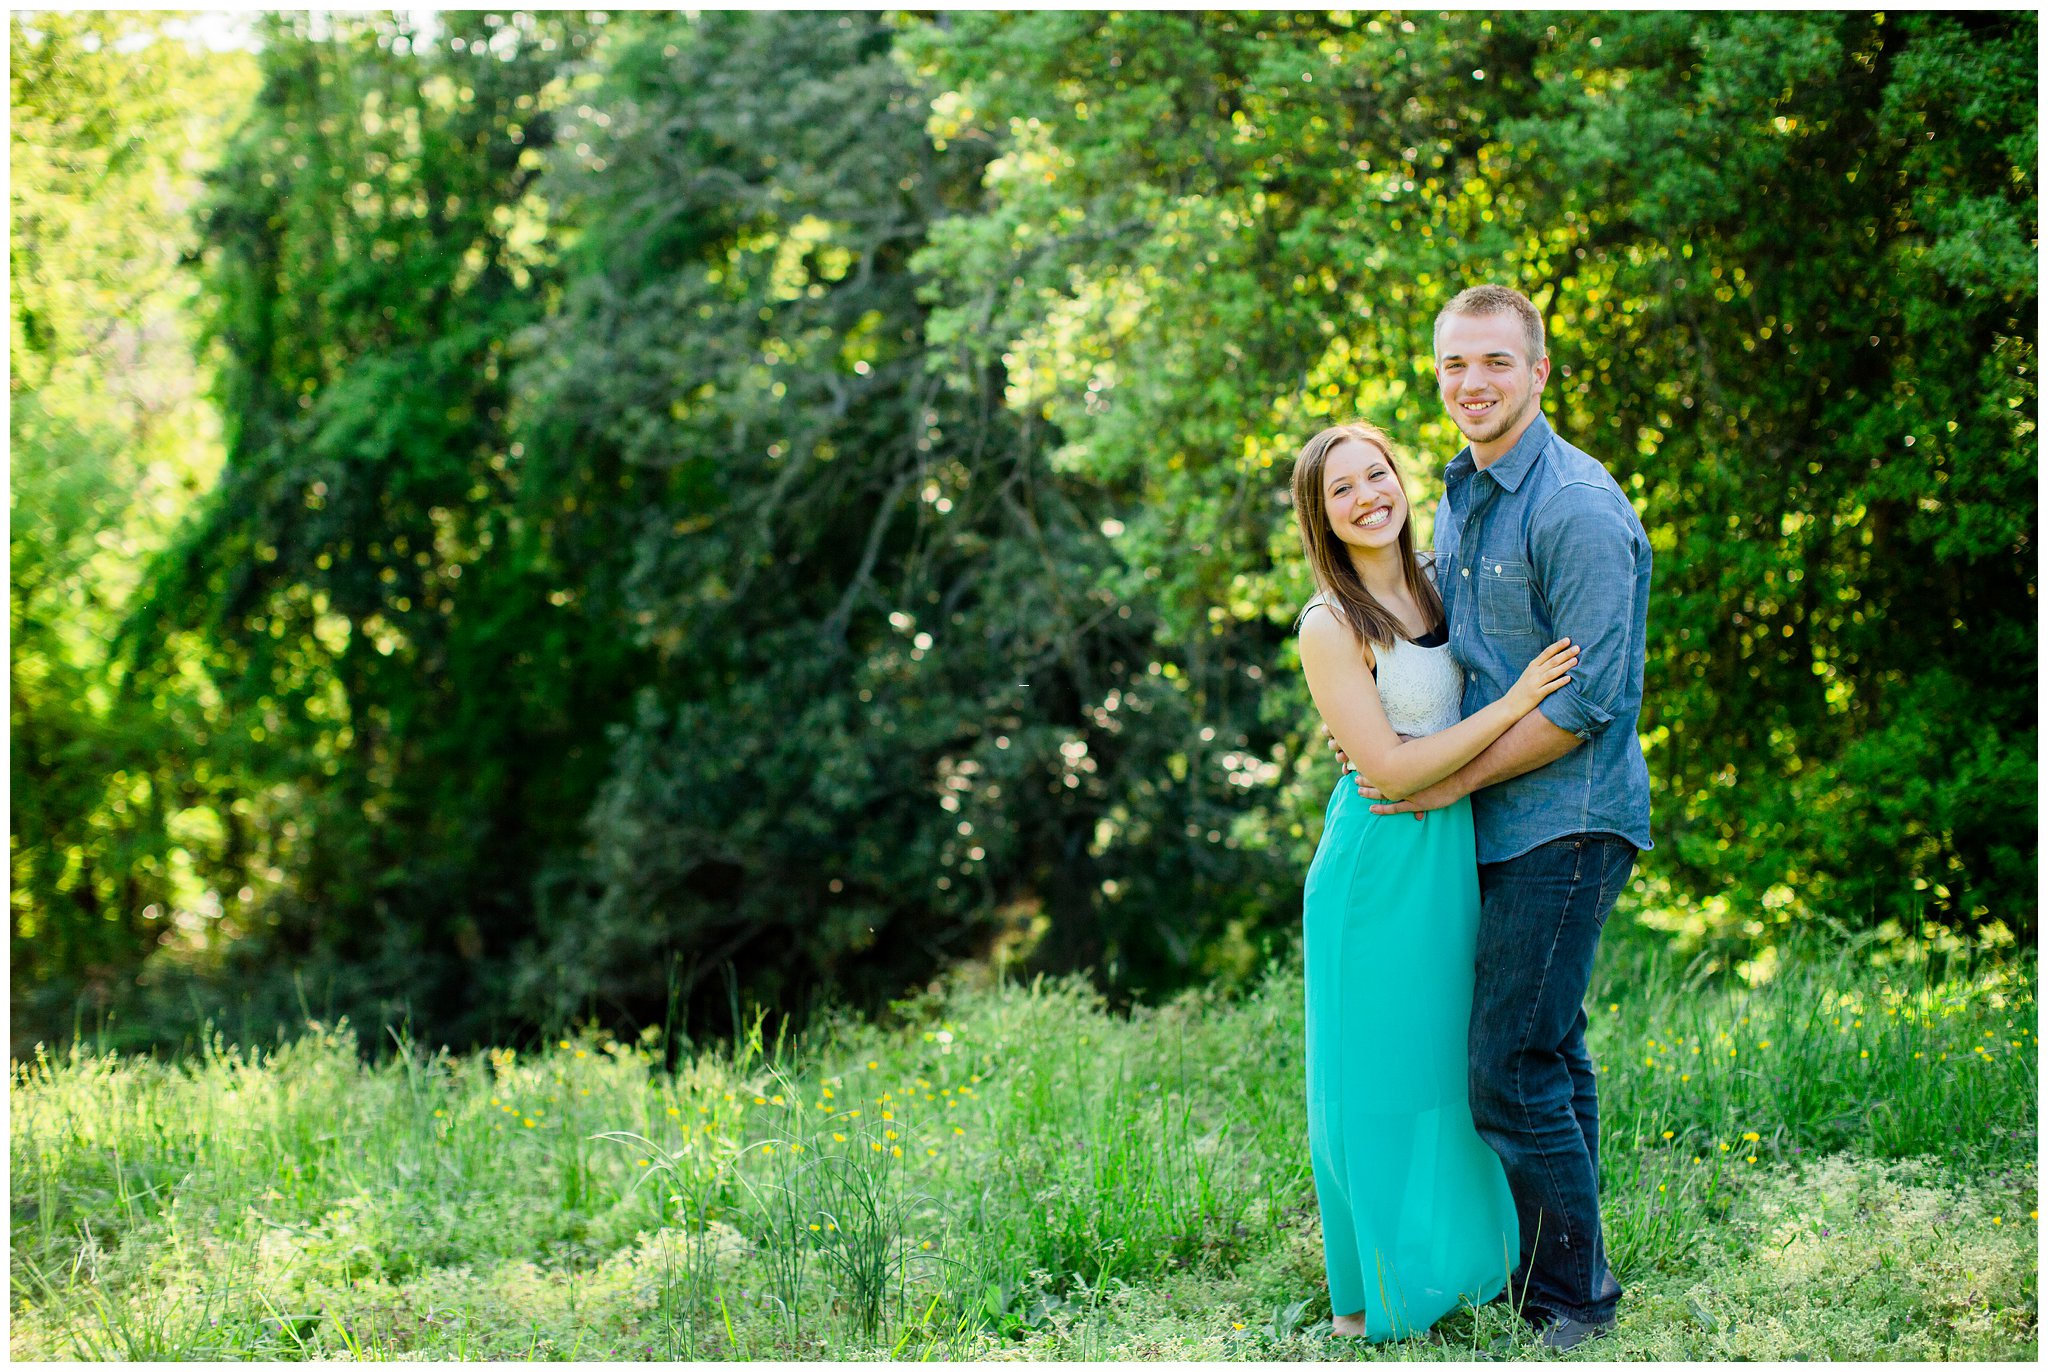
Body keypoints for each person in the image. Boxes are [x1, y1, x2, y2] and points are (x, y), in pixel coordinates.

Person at [1346, 284, 1654, 1351]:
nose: (1469, 384)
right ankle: (1566, 1265)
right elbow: (1452, 648)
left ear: (1537, 372)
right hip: (1489, 822)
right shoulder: (1462, 491)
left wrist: (1443, 784)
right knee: (1548, 1047)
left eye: (1491, 363)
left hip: (1564, 820)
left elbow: (1584, 703)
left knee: (1505, 1062)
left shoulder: (1572, 505)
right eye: (1450, 366)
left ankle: (1568, 1302)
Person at [1291, 420, 1580, 1340]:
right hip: (1375, 866)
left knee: (1446, 1073)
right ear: (1322, 515)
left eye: (1377, 473)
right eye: (1342, 488)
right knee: (1368, 1080)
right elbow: (1390, 768)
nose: (1367, 495)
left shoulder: (1439, 582)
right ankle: (1363, 1294)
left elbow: (1428, 753)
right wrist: (1515, 703)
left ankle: (1459, 1266)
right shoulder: (1329, 625)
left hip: (1449, 857)